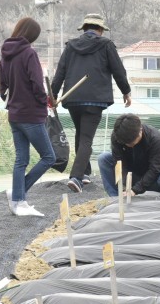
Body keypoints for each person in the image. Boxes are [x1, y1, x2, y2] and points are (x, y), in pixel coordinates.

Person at [50, 13, 131, 194]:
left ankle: (85, 172)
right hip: (95, 99)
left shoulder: (71, 47)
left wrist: (53, 95)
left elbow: (60, 72)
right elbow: (118, 70)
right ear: (100, 30)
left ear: (84, 28)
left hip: (72, 97)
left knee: (81, 135)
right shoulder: (106, 45)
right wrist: (126, 91)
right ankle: (76, 178)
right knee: (86, 138)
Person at [0, 17, 55, 218]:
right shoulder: (29, 54)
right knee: (49, 157)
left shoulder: (5, 56)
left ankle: (18, 200)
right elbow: (37, 85)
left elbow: (2, 90)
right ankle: (18, 196)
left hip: (14, 115)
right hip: (31, 115)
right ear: (31, 36)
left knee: (21, 159)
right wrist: (45, 101)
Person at [98, 114, 160, 198]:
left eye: (131, 142)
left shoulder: (156, 139)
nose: (128, 145)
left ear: (140, 130)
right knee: (104, 158)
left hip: (157, 177)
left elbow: (155, 169)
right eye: (125, 143)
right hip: (134, 174)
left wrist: (135, 190)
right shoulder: (118, 136)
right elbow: (119, 163)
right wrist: (125, 185)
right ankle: (116, 198)